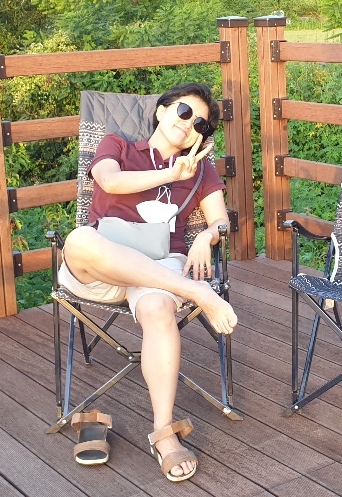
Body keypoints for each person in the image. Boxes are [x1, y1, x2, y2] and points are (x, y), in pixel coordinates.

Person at [58, 83, 237, 482]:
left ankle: (164, 434)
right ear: (161, 110)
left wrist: (207, 237)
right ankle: (195, 291)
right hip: (102, 264)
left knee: (157, 307)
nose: (189, 124)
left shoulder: (201, 170)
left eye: (201, 124)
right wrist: (170, 173)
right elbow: (109, 182)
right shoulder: (118, 145)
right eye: (184, 112)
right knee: (79, 240)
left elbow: (220, 220)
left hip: (159, 267)